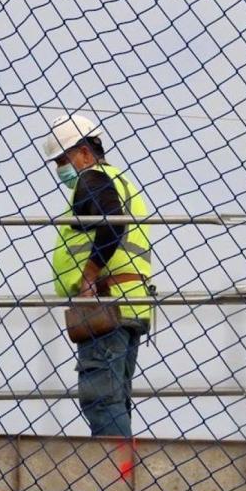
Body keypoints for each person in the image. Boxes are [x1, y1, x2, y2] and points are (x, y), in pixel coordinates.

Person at [43, 114, 153, 437]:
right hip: (131, 304)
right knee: (115, 399)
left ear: (85, 153)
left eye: (63, 159)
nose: (60, 169)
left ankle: (117, 469)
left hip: (105, 303)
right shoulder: (122, 182)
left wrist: (89, 276)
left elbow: (111, 224)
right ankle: (124, 464)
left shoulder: (91, 179)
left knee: (101, 401)